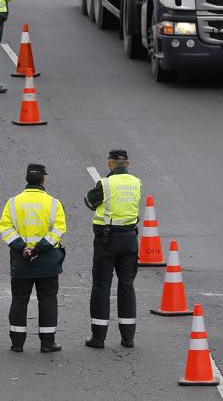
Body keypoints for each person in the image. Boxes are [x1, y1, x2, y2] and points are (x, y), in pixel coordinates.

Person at [0, 164, 67, 353]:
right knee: (48, 300)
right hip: (46, 261)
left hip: (22, 261)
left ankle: (17, 343)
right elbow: (58, 230)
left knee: (19, 300)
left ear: (26, 178)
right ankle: (47, 343)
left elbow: (6, 228)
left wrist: (23, 249)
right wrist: (39, 249)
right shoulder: (53, 203)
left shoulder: (13, 202)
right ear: (43, 179)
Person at [84, 148, 143, 349]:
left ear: (109, 163)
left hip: (108, 240)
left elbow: (89, 201)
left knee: (101, 285)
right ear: (128, 163)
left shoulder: (106, 183)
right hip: (130, 239)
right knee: (126, 285)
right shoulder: (136, 182)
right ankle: (128, 338)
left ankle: (98, 337)